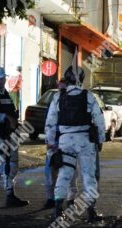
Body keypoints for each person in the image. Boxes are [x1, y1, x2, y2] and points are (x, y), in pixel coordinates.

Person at [45, 66, 106, 222]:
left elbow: (50, 122)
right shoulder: (89, 96)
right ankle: (91, 212)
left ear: (67, 79)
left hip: (65, 141)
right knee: (88, 175)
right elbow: (99, 120)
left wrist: (51, 142)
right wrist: (100, 140)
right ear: (82, 79)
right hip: (85, 140)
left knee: (64, 175)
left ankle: (58, 211)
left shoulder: (58, 97)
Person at [0, 67, 29, 210]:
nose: (3, 80)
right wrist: (6, 118)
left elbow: (11, 112)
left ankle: (10, 195)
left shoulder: (4, 93)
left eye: (4, 77)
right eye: (0, 78)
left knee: (11, 167)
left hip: (10, 135)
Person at [44, 78, 78, 209]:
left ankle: (70, 200)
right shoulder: (55, 100)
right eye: (61, 88)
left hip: (68, 142)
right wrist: (50, 141)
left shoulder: (76, 101)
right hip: (57, 141)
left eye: (64, 88)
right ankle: (51, 199)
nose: (62, 91)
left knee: (70, 172)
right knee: (51, 172)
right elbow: (49, 122)